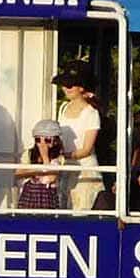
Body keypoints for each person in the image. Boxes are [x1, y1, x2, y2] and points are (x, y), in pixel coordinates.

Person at [55, 63, 104, 210]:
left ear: (81, 87)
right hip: (66, 169)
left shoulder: (91, 113)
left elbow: (87, 149)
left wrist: (65, 155)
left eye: (70, 85)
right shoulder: (63, 107)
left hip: (85, 171)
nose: (65, 88)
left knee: (82, 212)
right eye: (63, 84)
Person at [15, 121, 65, 209]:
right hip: (30, 194)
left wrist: (45, 156)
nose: (42, 144)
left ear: (55, 141)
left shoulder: (58, 157)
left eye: (47, 140)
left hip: (47, 196)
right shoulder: (29, 154)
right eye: (38, 140)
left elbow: (51, 178)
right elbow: (18, 173)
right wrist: (38, 171)